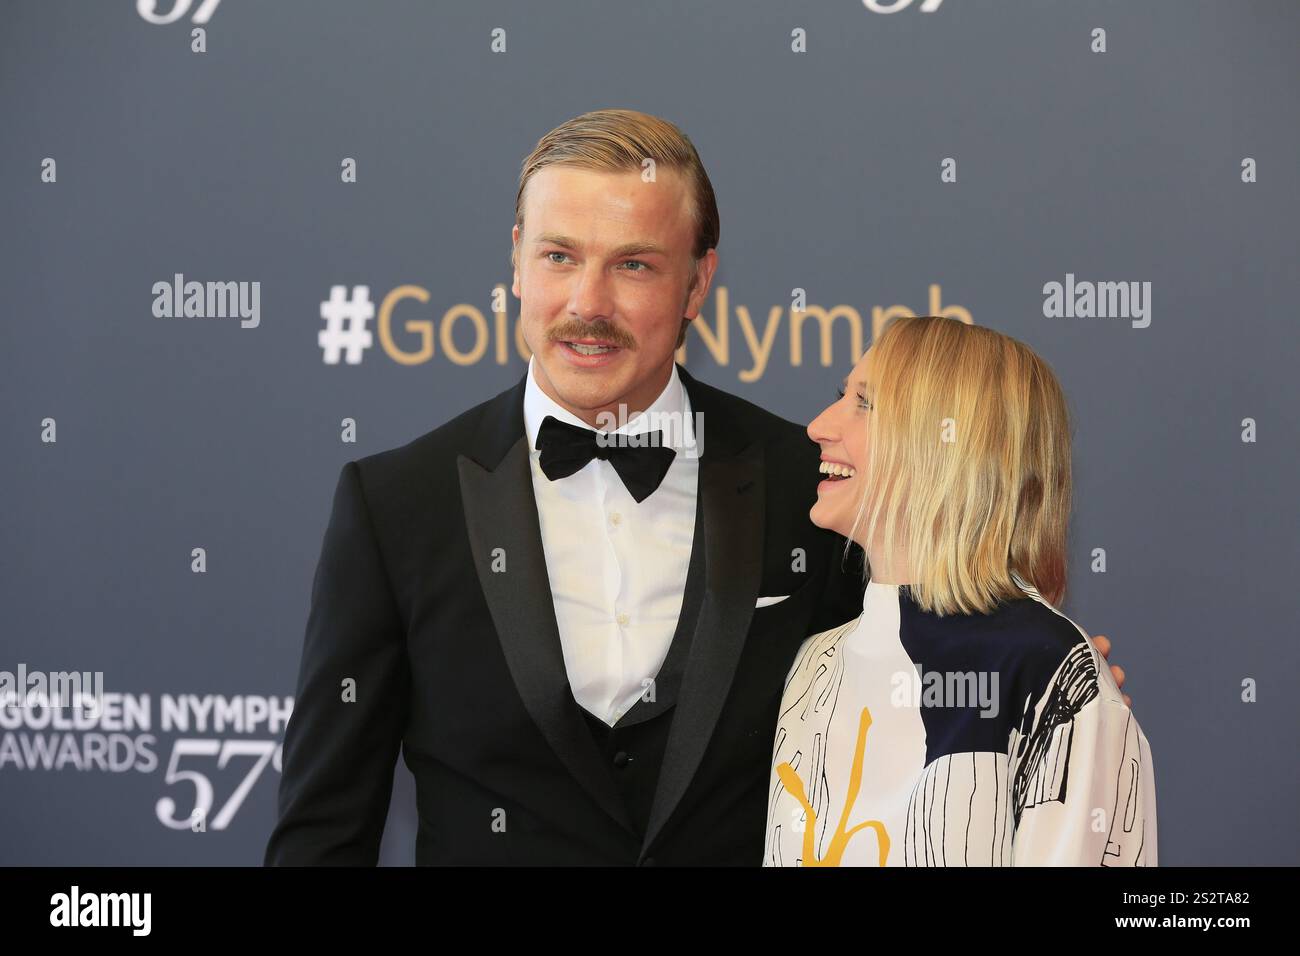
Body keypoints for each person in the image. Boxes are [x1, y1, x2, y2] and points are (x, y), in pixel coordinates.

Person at [264, 109, 1128, 866]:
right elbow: (323, 831)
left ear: (698, 283)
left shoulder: (814, 485)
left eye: (634, 265)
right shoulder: (396, 505)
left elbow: (928, 668)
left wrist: (1048, 684)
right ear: (517, 264)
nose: (587, 303)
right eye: (561, 256)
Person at [763, 315, 1155, 866]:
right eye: (842, 396)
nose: (819, 426)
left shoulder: (1049, 671)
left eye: (865, 404)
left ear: (950, 443)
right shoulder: (815, 663)